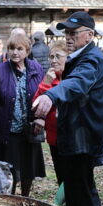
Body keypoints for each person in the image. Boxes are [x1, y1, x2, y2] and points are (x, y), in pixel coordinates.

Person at [32, 11, 103, 206]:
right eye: (65, 33)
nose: (67, 37)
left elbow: (76, 83)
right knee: (83, 188)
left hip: (82, 137)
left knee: (79, 191)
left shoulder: (91, 60)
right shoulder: (81, 56)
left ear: (89, 35)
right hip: (76, 135)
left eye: (72, 33)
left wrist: (51, 95)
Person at [0, 33, 46, 196]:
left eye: (19, 49)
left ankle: (25, 199)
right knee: (8, 172)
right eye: (12, 48)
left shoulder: (36, 68)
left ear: (27, 50)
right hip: (7, 130)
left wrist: (41, 118)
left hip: (29, 130)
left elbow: (44, 95)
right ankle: (9, 200)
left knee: (28, 170)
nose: (15, 52)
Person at [31, 40, 67, 185]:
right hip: (54, 138)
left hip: (71, 138)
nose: (53, 60)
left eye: (58, 56)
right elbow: (35, 107)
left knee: (73, 178)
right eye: (51, 57)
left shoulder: (74, 80)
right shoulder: (49, 80)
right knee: (61, 176)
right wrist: (45, 83)